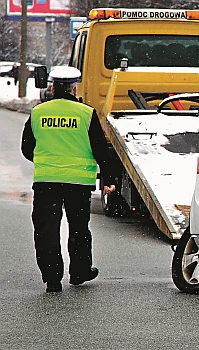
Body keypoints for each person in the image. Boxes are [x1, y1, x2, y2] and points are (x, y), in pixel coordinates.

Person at [21, 66, 117, 293]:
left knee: (47, 229)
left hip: (47, 182)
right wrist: (109, 179)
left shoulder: (38, 112)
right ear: (74, 89)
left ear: (52, 88)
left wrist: (46, 160)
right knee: (79, 228)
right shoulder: (86, 113)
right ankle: (79, 272)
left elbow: (27, 147)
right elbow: (100, 148)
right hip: (78, 183)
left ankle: (52, 278)